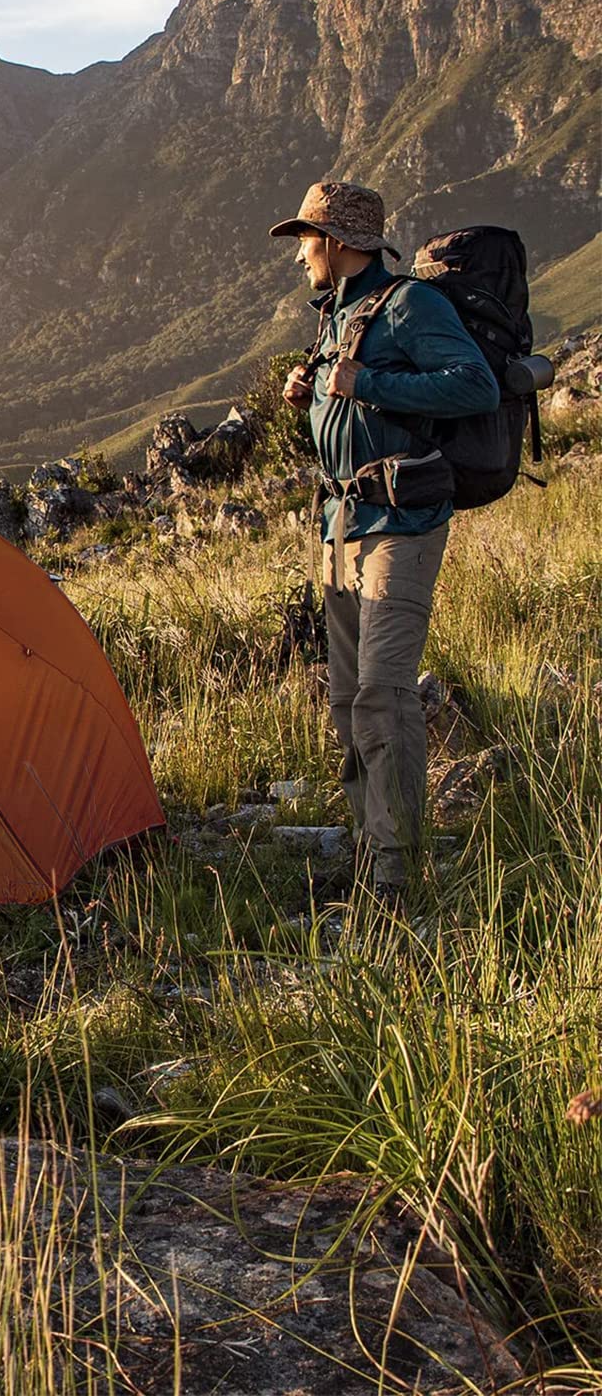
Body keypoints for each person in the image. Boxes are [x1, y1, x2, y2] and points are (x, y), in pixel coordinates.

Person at [272, 182, 499, 903]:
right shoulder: (338, 315)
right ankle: (372, 851)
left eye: (307, 239)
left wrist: (365, 380)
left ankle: (398, 875)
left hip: (401, 526)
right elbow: (349, 416)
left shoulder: (409, 306)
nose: (301, 254)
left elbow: (476, 387)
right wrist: (309, 397)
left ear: (338, 242)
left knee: (383, 695)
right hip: (342, 530)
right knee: (346, 701)